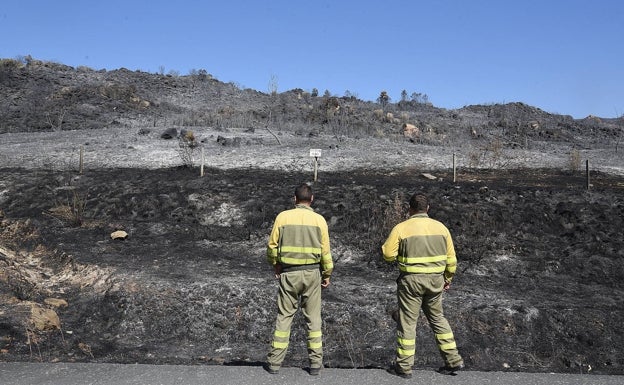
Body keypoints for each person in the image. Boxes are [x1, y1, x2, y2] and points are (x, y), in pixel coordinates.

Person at [381, 193, 464, 378]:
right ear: (428, 208)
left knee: (408, 322)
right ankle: (453, 360)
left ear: (409, 209)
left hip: (411, 281)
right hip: (436, 281)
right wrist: (447, 279)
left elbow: (387, 254)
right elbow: (452, 260)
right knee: (438, 318)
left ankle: (404, 367)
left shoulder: (402, 228)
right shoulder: (441, 228)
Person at [264, 183, 334, 376]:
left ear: (294, 199)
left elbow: (272, 247)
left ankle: (275, 363)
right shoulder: (319, 220)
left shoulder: (283, 217)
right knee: (313, 319)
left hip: (289, 274)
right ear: (311, 200)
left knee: (284, 316)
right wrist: (326, 274)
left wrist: (276, 264)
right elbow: (325, 252)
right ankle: (315, 365)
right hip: (312, 274)